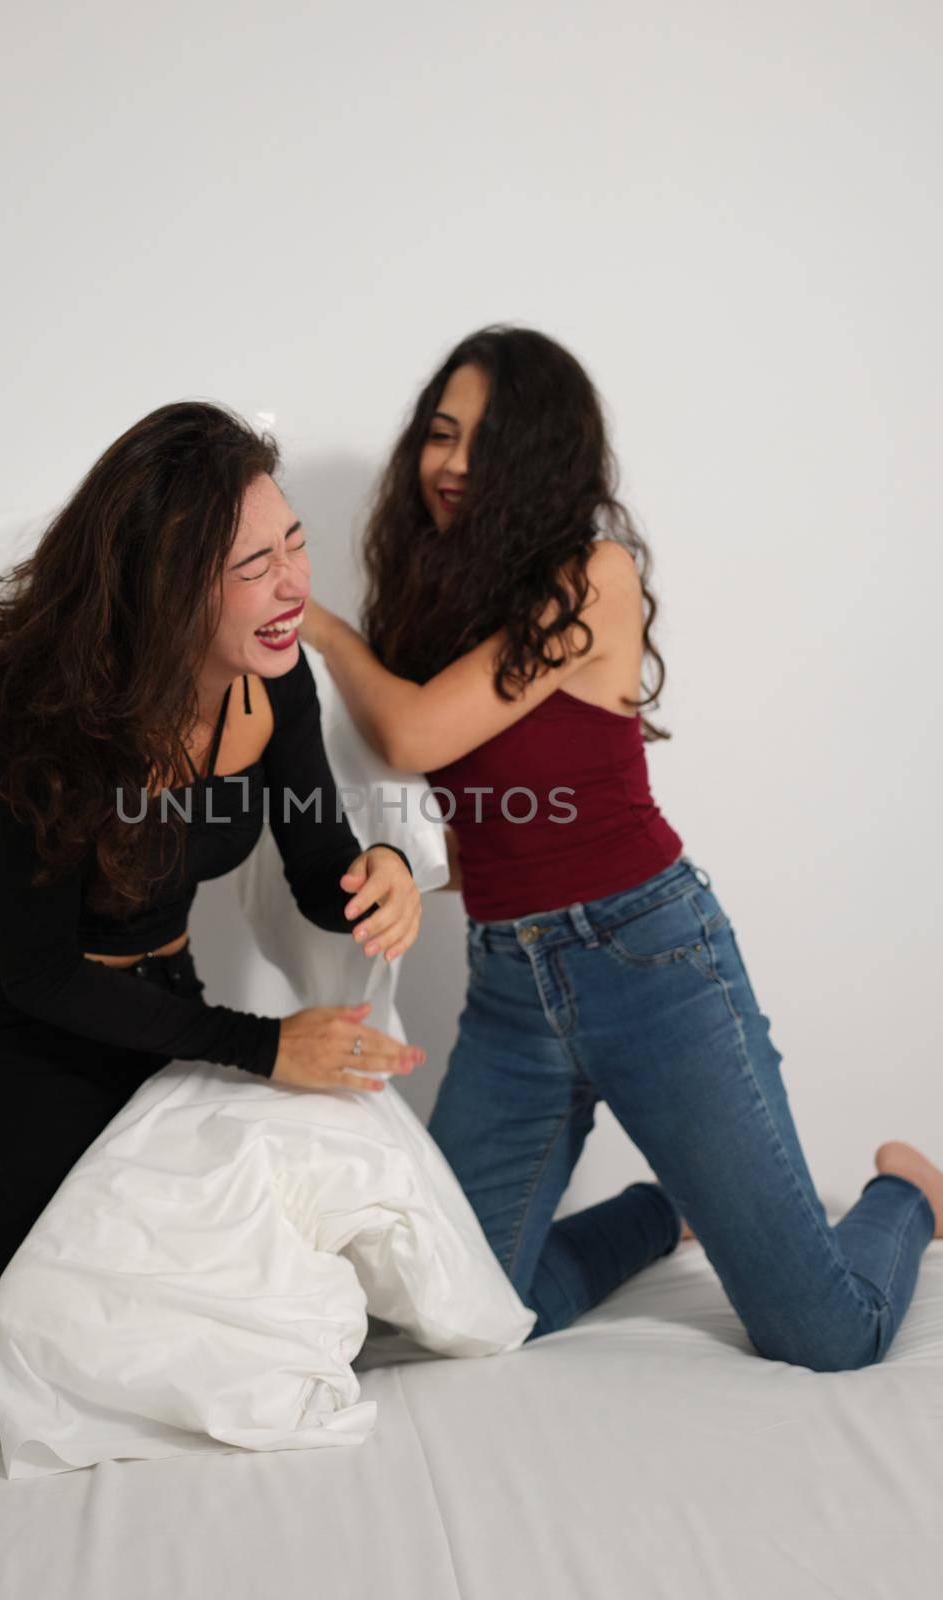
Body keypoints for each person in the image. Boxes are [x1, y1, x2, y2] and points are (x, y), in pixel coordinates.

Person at [298, 323, 942, 1372]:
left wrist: (321, 628)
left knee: (829, 1332)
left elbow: (410, 731)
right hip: (511, 991)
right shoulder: (441, 607)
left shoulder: (590, 576)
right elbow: (500, 819)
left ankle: (907, 1189)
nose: (453, 464)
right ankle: (660, 1216)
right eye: (440, 434)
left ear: (541, 458)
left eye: (484, 442)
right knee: (458, 1312)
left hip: (651, 964)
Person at [0, 402, 424, 1434]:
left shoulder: (275, 683)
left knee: (220, 1309)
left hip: (164, 1010)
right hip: (25, 1039)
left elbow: (318, 870)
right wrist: (264, 1049)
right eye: (255, 564)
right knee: (40, 1382)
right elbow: (43, 975)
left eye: (294, 543)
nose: (295, 584)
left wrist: (383, 872)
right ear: (172, 579)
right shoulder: (58, 716)